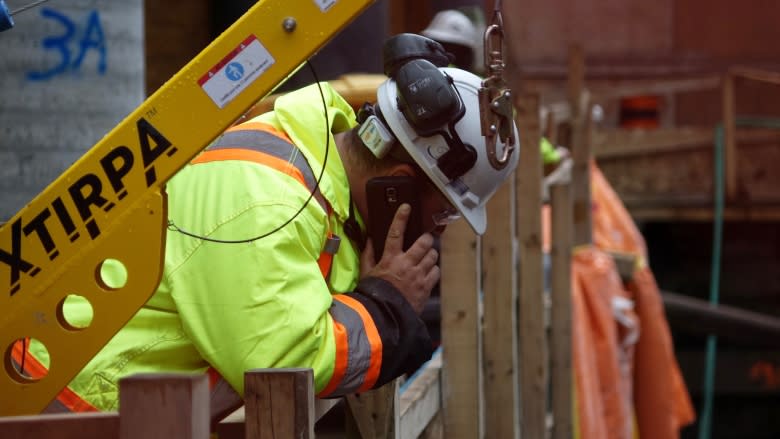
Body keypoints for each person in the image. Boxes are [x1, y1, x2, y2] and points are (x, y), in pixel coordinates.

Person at [16, 34, 519, 420]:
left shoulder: (326, 191)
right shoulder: (266, 199)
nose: (441, 230)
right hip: (44, 409)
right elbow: (282, 363)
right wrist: (386, 304)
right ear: (401, 186)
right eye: (444, 212)